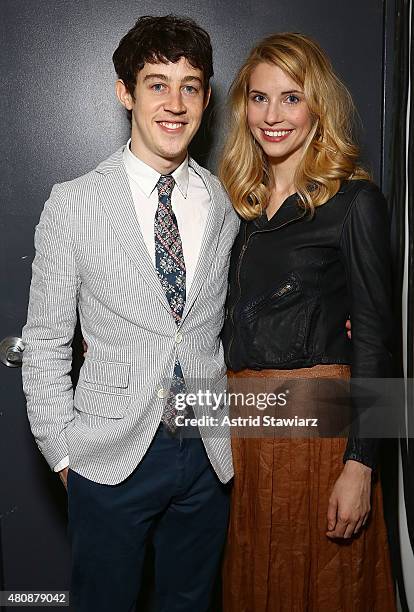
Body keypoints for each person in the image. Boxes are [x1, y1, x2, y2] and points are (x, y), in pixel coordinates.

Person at [22, 15, 239, 612]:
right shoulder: (75, 202)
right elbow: (44, 342)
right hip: (109, 453)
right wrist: (64, 454)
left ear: (206, 97)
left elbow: (215, 326)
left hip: (205, 454)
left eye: (190, 86)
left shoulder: (220, 202)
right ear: (125, 92)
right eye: (156, 84)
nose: (175, 103)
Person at [219, 33, 396, 611]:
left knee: (323, 589)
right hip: (240, 427)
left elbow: (377, 339)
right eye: (258, 97)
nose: (272, 116)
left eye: (291, 98)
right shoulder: (235, 207)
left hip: (320, 431)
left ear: (318, 106)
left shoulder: (354, 201)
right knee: (251, 586)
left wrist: (362, 463)